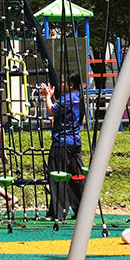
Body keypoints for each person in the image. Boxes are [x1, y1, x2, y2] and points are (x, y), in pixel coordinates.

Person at [44, 72, 85, 221]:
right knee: (76, 177)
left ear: (71, 84)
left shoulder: (67, 98)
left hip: (61, 142)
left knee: (57, 176)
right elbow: (60, 108)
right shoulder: (79, 98)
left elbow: (52, 110)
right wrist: (54, 98)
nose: (61, 85)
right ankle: (82, 208)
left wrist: (47, 96)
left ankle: (58, 212)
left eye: (63, 82)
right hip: (75, 142)